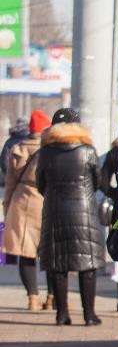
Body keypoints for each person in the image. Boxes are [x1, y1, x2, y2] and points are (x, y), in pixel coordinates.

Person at [37, 109, 106, 326]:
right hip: (84, 211)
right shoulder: (88, 150)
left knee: (58, 265)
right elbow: (97, 183)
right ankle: (89, 315)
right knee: (88, 266)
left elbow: (40, 184)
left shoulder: (46, 152)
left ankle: (62, 315)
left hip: (55, 210)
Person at [3, 110, 50, 311]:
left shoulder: (17, 148)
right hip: (45, 200)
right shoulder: (50, 149)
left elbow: (9, 183)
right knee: (49, 252)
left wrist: (7, 208)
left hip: (21, 200)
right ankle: (52, 296)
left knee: (25, 251)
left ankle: (32, 297)